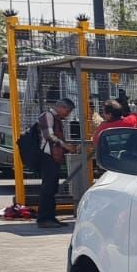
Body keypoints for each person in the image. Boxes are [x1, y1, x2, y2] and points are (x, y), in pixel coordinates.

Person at [35, 97, 76, 228]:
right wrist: (65, 146)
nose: (67, 114)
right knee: (47, 188)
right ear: (61, 107)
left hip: (54, 157)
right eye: (67, 111)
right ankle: (43, 218)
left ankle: (51, 217)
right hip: (47, 156)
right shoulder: (47, 116)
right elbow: (49, 136)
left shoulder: (57, 120)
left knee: (52, 188)